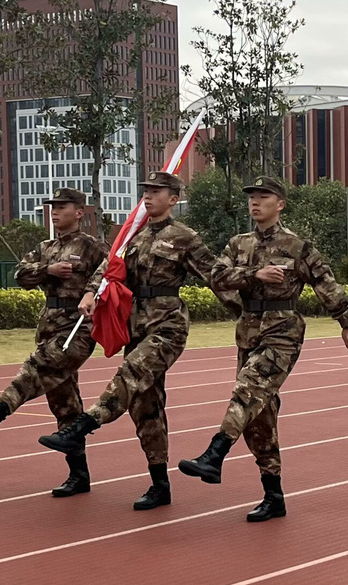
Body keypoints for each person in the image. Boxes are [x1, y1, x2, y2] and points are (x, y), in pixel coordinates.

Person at [37, 170, 240, 510]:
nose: (148, 195)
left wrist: (243, 308)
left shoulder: (183, 236)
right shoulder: (134, 235)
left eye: (157, 191)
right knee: (145, 406)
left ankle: (83, 426)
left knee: (131, 372)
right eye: (146, 190)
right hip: (137, 325)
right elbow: (109, 268)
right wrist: (90, 293)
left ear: (173, 199)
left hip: (168, 326)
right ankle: (160, 484)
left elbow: (216, 275)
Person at [177, 175, 348, 522]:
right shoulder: (237, 245)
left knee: (248, 389)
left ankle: (214, 454)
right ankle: (273, 496)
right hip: (248, 331)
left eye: (263, 196)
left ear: (280, 204)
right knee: (259, 417)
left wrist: (345, 323)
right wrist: (254, 274)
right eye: (252, 197)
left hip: (283, 330)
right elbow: (214, 276)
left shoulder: (298, 247)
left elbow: (325, 283)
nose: (255, 202)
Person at [0, 187, 108, 497]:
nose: (55, 211)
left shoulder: (92, 247)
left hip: (78, 328)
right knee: (64, 405)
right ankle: (79, 475)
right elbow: (20, 274)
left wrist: (90, 290)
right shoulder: (44, 248)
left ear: (79, 212)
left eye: (62, 206)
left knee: (36, 368)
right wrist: (47, 269)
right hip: (49, 325)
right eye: (53, 206)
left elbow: (111, 274)